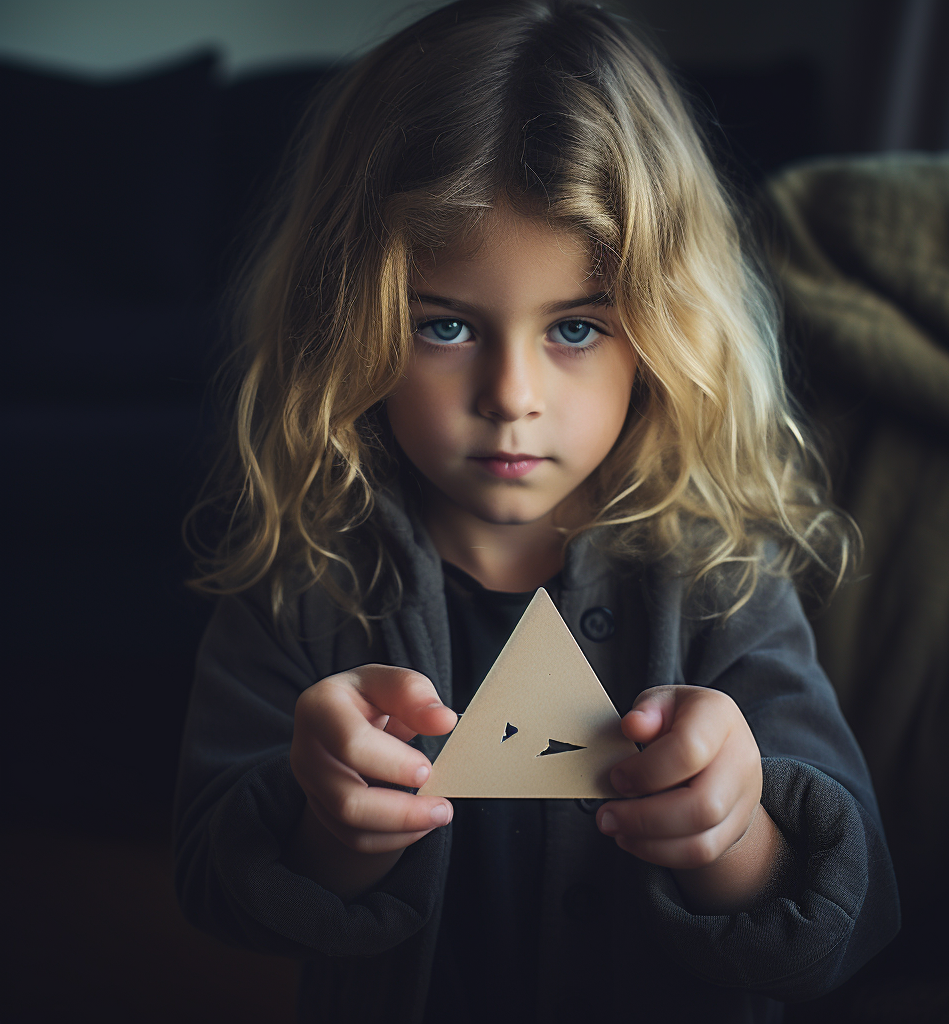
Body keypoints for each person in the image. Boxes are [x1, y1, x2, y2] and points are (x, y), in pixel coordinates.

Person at [173, 2, 899, 1021]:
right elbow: (216, 887)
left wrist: (732, 833)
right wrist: (327, 831)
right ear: (347, 318)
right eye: (445, 323)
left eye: (572, 327)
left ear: (663, 329)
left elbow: (848, 917)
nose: (511, 393)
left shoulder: (722, 581)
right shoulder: (304, 581)